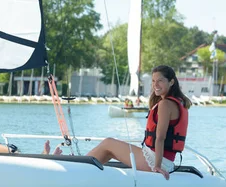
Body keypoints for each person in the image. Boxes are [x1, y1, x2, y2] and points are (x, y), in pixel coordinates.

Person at [44, 65, 191, 180]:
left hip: (156, 161)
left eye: (160, 81)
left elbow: (160, 138)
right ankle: (83, 169)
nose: (155, 84)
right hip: (165, 160)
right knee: (109, 149)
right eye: (153, 81)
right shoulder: (178, 103)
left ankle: (76, 170)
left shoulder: (165, 104)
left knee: (108, 144)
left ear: (171, 82)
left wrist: (157, 167)